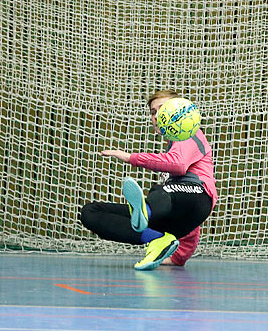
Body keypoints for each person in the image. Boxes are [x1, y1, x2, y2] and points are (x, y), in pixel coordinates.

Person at [81, 89, 217, 270]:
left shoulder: (189, 133)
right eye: (153, 112)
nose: (157, 115)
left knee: (161, 192)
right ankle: (157, 238)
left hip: (198, 196)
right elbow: (188, 221)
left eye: (163, 109)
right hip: (176, 214)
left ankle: (145, 212)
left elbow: (179, 165)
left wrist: (131, 158)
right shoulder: (171, 153)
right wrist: (179, 258)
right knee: (91, 212)